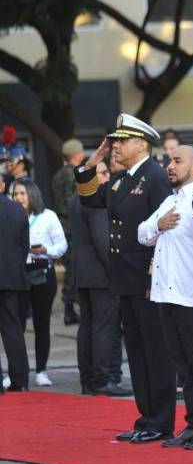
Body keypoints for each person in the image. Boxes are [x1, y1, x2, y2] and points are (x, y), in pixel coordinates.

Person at [75, 113, 177, 444]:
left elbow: (165, 232)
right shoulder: (123, 179)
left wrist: (153, 277)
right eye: (115, 141)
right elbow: (90, 198)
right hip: (124, 279)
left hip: (147, 280)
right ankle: (146, 418)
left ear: (142, 144)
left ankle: (161, 421)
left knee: (155, 352)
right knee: (136, 350)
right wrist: (91, 164)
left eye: (123, 141)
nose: (116, 146)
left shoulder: (154, 176)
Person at [138, 145, 193, 450]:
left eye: (177, 161)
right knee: (184, 365)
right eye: (168, 160)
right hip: (169, 295)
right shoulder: (170, 200)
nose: (170, 165)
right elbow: (142, 234)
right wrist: (158, 224)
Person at [69, 160, 129, 397]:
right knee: (104, 326)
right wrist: (117, 272)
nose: (108, 177)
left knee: (87, 325)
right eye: (103, 173)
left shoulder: (74, 199)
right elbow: (103, 241)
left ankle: (88, 379)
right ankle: (102, 379)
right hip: (101, 273)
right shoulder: (96, 202)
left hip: (83, 272)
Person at [12, 180, 67, 387]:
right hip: (18, 274)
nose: (18, 198)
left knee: (41, 324)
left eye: (22, 193)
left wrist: (45, 250)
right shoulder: (10, 216)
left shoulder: (48, 216)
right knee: (15, 325)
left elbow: (62, 246)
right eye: (15, 194)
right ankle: (17, 372)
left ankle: (41, 370)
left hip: (43, 272)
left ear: (32, 195)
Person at [52, 138, 85, 326]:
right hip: (73, 225)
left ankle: (69, 308)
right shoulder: (75, 174)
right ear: (76, 155)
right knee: (73, 268)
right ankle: (70, 308)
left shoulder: (58, 174)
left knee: (69, 267)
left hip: (62, 225)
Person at [0, 192, 31, 392]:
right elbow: (24, 246)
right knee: (12, 327)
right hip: (11, 277)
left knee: (12, 326)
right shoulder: (17, 210)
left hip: (10, 275)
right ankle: (19, 379)